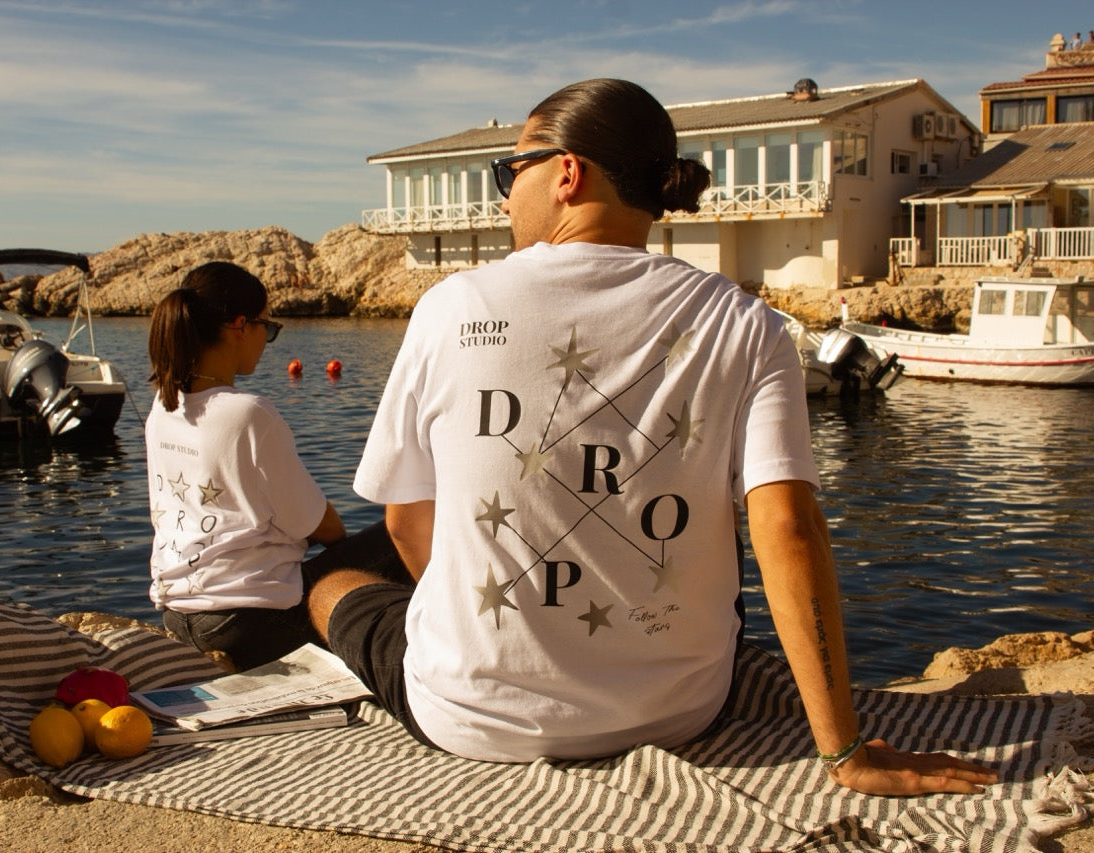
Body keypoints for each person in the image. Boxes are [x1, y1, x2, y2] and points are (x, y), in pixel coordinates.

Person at [308, 78, 997, 795]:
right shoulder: (746, 323)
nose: (504, 198)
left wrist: (482, 626)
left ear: (567, 173)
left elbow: (406, 521)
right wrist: (845, 752)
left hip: (474, 717)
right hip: (681, 711)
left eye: (510, 172)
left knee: (334, 585)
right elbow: (788, 527)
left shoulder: (450, 307)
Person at [146, 261, 346, 670]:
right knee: (395, 539)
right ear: (240, 326)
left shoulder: (163, 406)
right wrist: (345, 543)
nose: (266, 341)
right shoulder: (249, 413)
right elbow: (317, 524)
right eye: (267, 328)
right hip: (249, 623)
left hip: (179, 616)